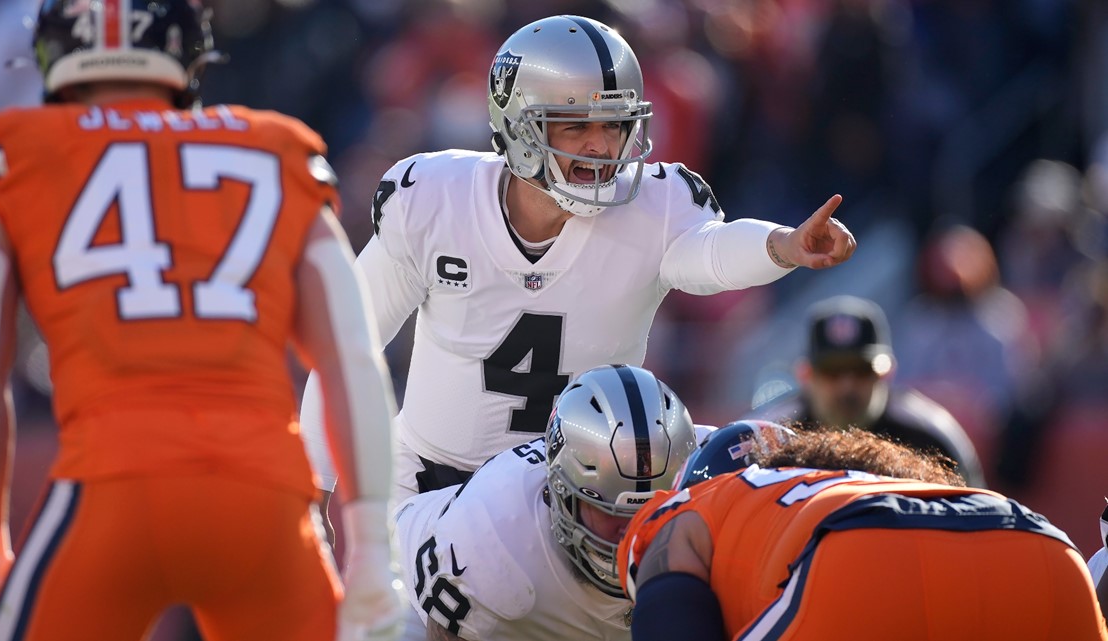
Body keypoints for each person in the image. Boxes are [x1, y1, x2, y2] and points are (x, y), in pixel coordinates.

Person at [299, 13, 856, 514]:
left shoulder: (653, 204)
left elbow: (708, 252)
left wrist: (782, 246)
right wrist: (324, 490)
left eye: (614, 125)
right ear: (519, 129)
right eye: (575, 125)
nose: (599, 146)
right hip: (433, 489)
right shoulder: (435, 201)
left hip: (582, 504)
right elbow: (347, 342)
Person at [0, 2, 402, 640]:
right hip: (265, 501)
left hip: (111, 487)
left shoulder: (16, 150)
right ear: (189, 56)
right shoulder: (275, 147)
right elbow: (353, 357)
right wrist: (372, 552)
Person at [619, 428, 1108, 641]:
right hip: (1045, 548)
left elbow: (671, 585)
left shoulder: (692, 506)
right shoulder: (882, 479)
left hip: (864, 556)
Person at [390, 364, 698, 640]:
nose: (632, 536)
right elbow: (441, 631)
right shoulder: (492, 545)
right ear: (560, 492)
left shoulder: (714, 478)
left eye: (649, 514)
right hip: (417, 607)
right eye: (612, 516)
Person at [748, 294, 987, 486]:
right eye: (832, 371)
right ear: (805, 375)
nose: (847, 385)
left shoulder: (931, 436)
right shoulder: (770, 436)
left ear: (887, 371)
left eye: (861, 369)